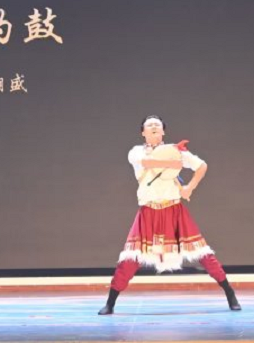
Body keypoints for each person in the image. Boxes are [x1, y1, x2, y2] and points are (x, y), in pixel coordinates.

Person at [98, 115, 241, 314]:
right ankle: (110, 303)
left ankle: (229, 293)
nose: (154, 126)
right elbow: (147, 162)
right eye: (149, 125)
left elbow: (201, 166)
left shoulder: (176, 152)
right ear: (143, 132)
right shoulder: (136, 151)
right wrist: (174, 161)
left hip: (174, 210)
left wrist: (189, 187)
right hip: (148, 212)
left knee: (204, 255)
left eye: (157, 124)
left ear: (163, 131)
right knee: (129, 260)